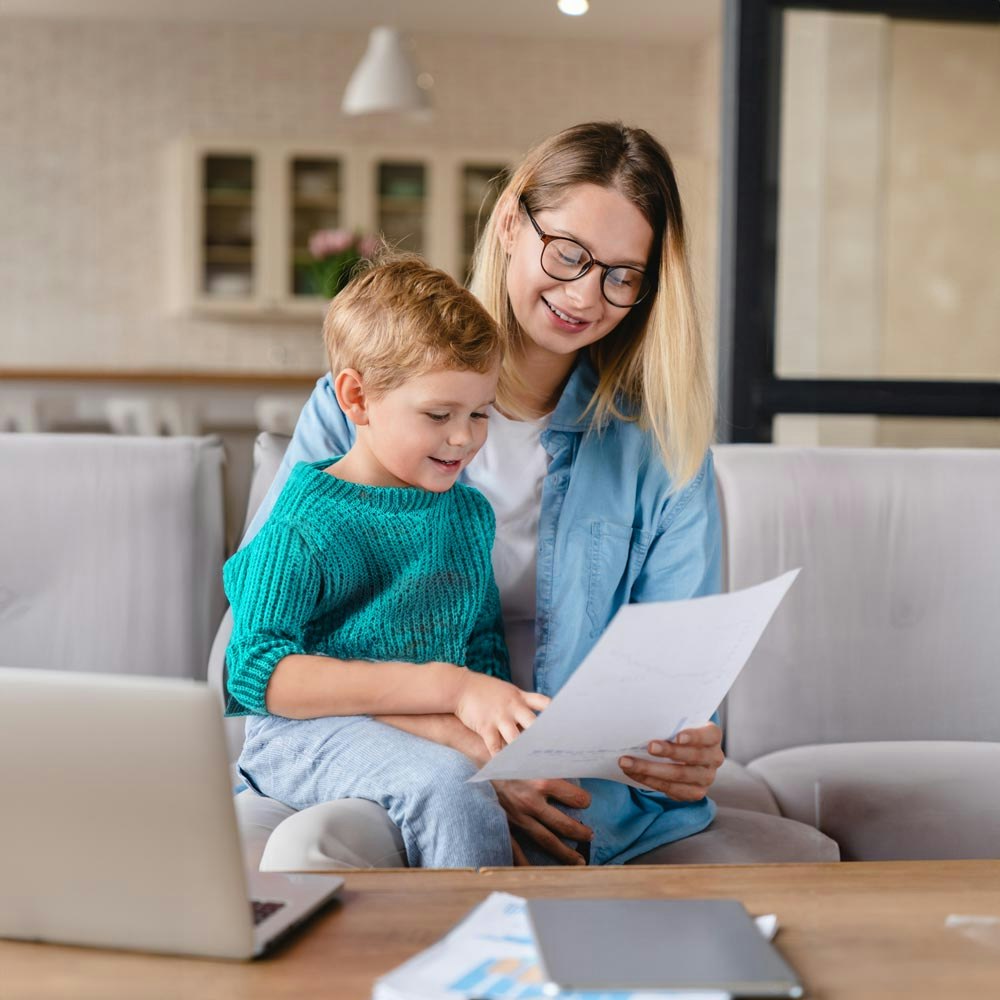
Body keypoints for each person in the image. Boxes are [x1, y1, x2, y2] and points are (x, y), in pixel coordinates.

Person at [242, 122, 833, 866]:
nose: (585, 295)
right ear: (510, 223)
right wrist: (472, 746)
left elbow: (674, 683)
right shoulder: (364, 403)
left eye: (622, 275)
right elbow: (261, 655)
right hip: (397, 752)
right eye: (569, 254)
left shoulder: (662, 453)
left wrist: (684, 749)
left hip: (581, 787)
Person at [224, 257, 550, 868]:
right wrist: (452, 690)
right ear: (357, 398)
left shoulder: (466, 517)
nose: (464, 438)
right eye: (439, 415)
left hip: (412, 730)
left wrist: (498, 737)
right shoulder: (302, 524)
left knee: (488, 783)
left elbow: (480, 645)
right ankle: (483, 927)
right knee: (448, 784)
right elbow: (254, 674)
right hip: (298, 734)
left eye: (480, 413)